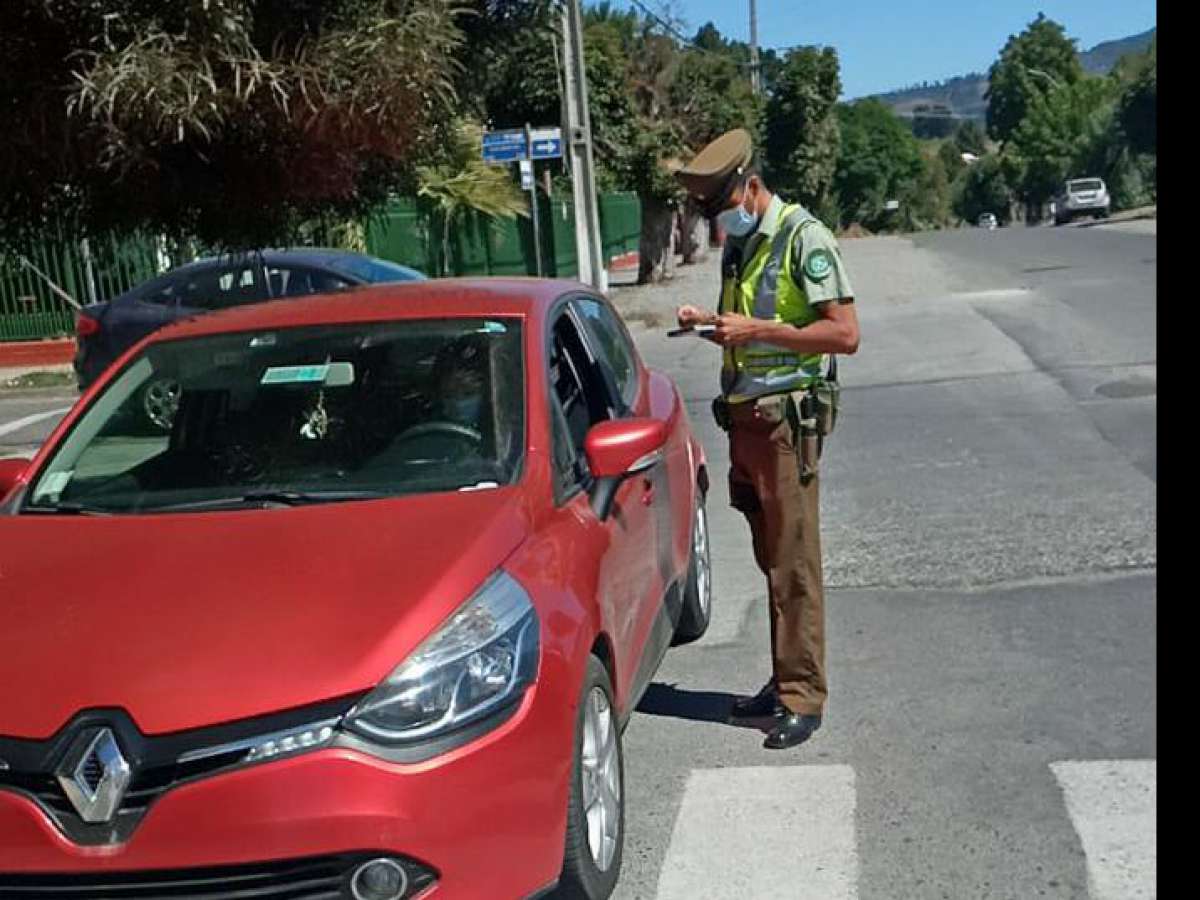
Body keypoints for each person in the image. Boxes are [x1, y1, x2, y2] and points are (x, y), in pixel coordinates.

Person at [674, 128, 860, 750]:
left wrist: (755, 329)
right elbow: (749, 333)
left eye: (722, 205)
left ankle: (804, 697)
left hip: (787, 425)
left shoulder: (805, 237)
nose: (719, 222)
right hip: (747, 423)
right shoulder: (742, 246)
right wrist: (710, 325)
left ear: (750, 188)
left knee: (795, 564)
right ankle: (784, 683)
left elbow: (844, 334)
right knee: (771, 561)